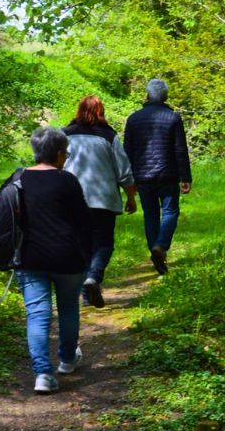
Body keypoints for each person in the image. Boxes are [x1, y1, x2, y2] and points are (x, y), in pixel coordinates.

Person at [12, 126, 90, 393]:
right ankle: (67, 360)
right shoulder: (67, 181)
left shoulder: (19, 179)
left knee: (37, 314)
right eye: (65, 152)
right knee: (68, 308)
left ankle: (43, 374)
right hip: (67, 257)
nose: (66, 156)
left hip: (29, 258)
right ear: (58, 154)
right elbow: (83, 221)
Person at [63, 96, 137, 308]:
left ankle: (86, 291)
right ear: (101, 112)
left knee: (82, 244)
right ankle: (93, 278)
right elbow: (123, 171)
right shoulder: (109, 135)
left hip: (72, 200)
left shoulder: (65, 134)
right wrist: (131, 197)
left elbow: (54, 165)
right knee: (103, 243)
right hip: (103, 199)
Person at [123, 78, 191, 275]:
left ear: (147, 95)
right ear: (165, 96)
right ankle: (160, 246)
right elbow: (180, 150)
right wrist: (185, 177)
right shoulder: (173, 117)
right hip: (168, 174)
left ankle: (156, 252)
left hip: (142, 176)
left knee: (151, 214)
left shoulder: (133, 119)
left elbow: (128, 151)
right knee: (170, 212)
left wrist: (129, 179)